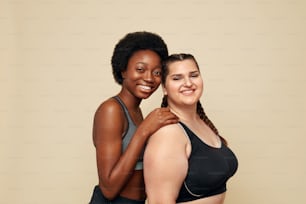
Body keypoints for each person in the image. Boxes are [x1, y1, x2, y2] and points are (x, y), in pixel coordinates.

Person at [89, 31, 179, 204]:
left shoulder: (137, 112)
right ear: (123, 70)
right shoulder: (111, 110)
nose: (149, 78)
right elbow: (108, 189)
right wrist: (144, 130)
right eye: (140, 69)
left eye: (157, 72)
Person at [144, 53, 238, 204]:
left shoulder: (201, 122)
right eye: (177, 78)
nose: (188, 83)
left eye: (193, 75)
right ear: (164, 88)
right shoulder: (169, 134)